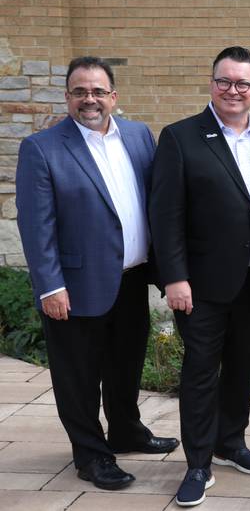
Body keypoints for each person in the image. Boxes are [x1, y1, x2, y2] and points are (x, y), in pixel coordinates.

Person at [15, 56, 179, 491]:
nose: (90, 99)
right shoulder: (42, 148)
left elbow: (157, 203)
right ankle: (90, 455)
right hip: (74, 284)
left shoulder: (140, 136)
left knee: (125, 364)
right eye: (80, 91)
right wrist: (50, 286)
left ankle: (125, 431)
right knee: (79, 376)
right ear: (68, 96)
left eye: (98, 91)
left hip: (131, 277)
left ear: (114, 97)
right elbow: (35, 226)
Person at [149, 46, 250, 507]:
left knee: (242, 368)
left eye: (243, 83)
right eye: (225, 81)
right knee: (201, 373)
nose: (233, 90)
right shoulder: (180, 137)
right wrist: (174, 278)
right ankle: (198, 463)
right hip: (199, 285)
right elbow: (165, 216)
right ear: (211, 83)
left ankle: (230, 442)